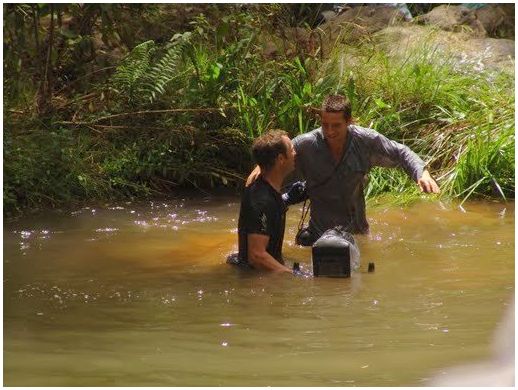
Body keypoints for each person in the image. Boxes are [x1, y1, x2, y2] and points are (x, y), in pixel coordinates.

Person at [246, 94, 440, 246]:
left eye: (336, 125)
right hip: (318, 234)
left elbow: (400, 152)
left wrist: (421, 173)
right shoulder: (307, 144)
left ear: (349, 121)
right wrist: (259, 168)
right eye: (325, 124)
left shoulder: (365, 141)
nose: (329, 131)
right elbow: (277, 156)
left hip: (356, 233)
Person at [227, 130, 307, 273]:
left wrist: (291, 197)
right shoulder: (261, 201)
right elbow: (257, 256)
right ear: (281, 159)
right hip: (254, 279)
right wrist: (292, 275)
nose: (295, 153)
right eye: (292, 149)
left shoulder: (268, 189)